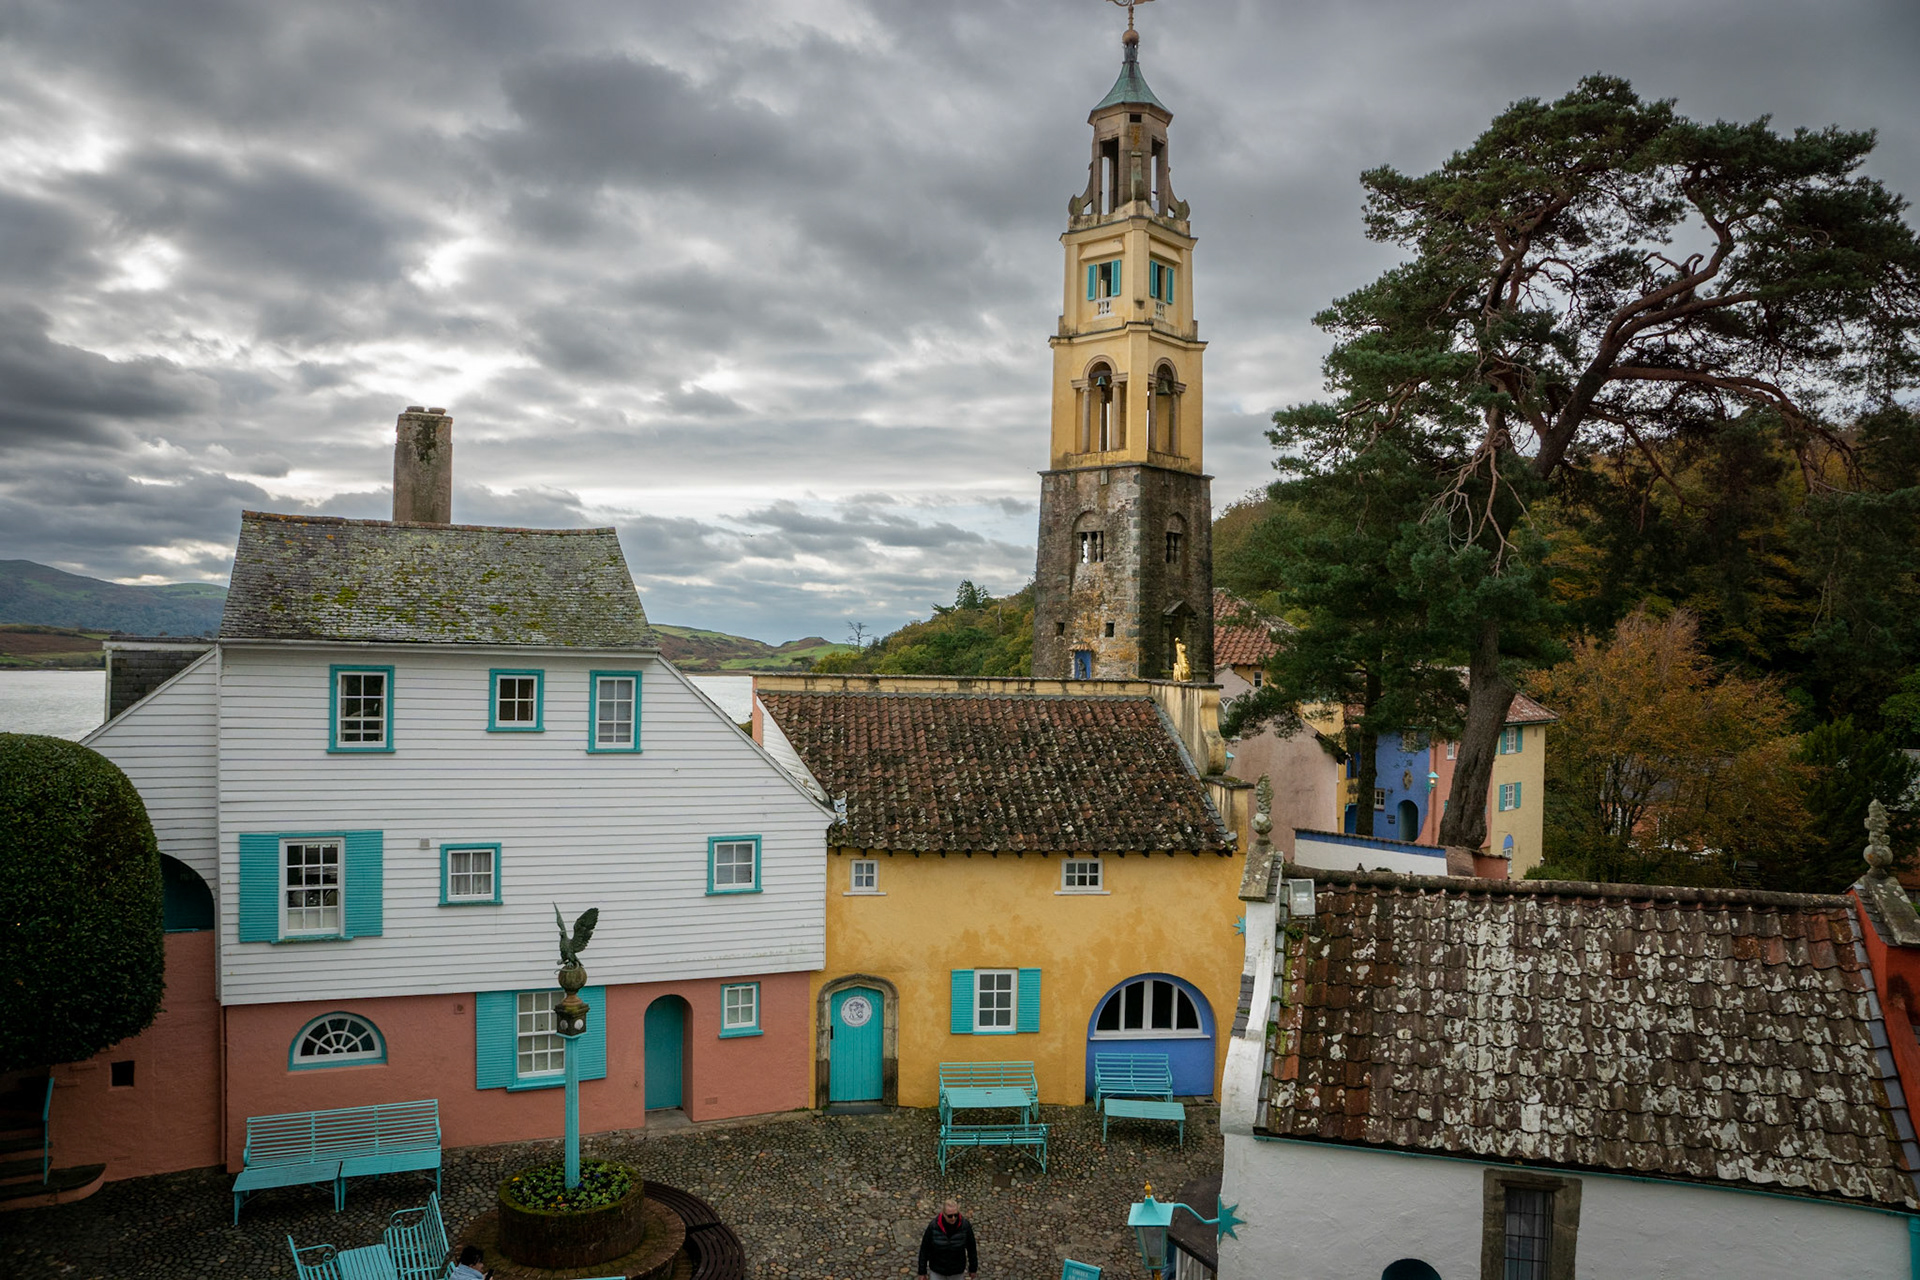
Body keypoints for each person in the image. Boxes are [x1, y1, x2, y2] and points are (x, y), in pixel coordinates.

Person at [917, 1199, 978, 1279]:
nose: (953, 1218)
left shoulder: (965, 1226)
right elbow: (924, 1249)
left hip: (956, 1271)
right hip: (937, 1270)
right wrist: (922, 1271)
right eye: (950, 1216)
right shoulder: (933, 1227)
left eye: (955, 1215)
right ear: (943, 1214)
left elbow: (971, 1248)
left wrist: (973, 1268)